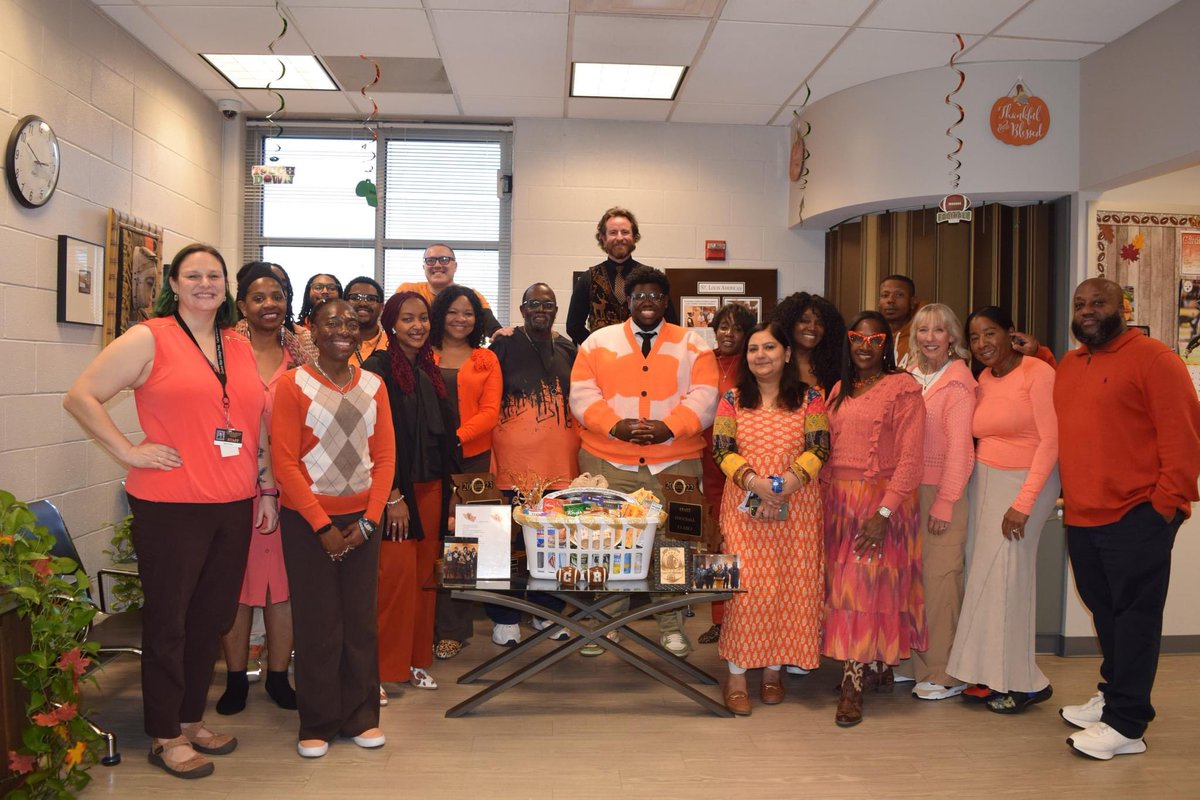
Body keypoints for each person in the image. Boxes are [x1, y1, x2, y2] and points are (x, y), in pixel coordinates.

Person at [64, 243, 277, 779]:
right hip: (170, 506)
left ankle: (188, 719)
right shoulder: (149, 337)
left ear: (225, 286)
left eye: (215, 275)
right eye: (194, 275)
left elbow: (254, 425)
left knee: (210, 619)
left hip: (234, 502)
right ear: (175, 284)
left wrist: (267, 486)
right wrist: (128, 452)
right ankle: (164, 734)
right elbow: (81, 396)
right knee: (170, 623)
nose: (205, 283)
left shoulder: (238, 343)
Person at [1054, 278, 1200, 760]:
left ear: (1124, 307)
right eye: (1080, 304)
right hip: (1083, 515)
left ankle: (1127, 724)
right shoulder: (1070, 364)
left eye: (1099, 302)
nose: (1088, 310)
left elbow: (1183, 439)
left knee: (1135, 618)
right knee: (1106, 611)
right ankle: (1114, 694)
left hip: (1139, 514)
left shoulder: (1156, 359)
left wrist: (1164, 507)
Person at [569, 265, 718, 657]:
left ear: (666, 301)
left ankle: (671, 626)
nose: (647, 302)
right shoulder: (597, 342)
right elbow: (582, 395)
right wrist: (614, 425)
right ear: (629, 302)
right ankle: (606, 625)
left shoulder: (694, 344)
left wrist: (668, 428)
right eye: (639, 296)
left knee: (674, 548)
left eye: (655, 295)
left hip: (676, 463)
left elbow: (705, 397)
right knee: (609, 544)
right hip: (608, 460)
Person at [271, 298, 395, 758]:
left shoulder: (375, 386)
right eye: (330, 322)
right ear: (314, 332)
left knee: (360, 623)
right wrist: (322, 525)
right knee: (319, 624)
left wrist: (369, 520)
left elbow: (384, 459)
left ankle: (362, 717)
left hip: (364, 521)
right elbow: (284, 463)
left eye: (349, 322)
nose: (342, 329)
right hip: (307, 523)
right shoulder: (291, 386)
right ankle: (318, 722)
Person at [712, 322, 829, 716]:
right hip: (745, 507)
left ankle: (773, 672)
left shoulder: (811, 397)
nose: (760, 355)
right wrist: (755, 483)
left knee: (789, 588)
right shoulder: (732, 399)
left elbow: (820, 446)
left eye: (769, 348)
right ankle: (737, 676)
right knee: (748, 591)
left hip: (797, 507)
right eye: (753, 349)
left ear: (787, 354)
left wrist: (786, 485)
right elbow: (721, 449)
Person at [947, 306, 1059, 714]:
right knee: (985, 582)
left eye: (990, 333)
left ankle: (1025, 682)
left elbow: (1051, 442)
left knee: (1010, 580)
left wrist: (1024, 503)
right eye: (975, 338)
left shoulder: (1038, 373)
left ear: (1011, 333)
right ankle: (991, 674)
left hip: (1026, 483)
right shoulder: (983, 378)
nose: (982, 344)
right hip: (986, 481)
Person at [823, 311, 926, 727]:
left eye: (875, 340)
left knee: (863, 594)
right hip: (838, 504)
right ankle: (876, 665)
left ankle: (852, 687)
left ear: (887, 345)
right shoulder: (838, 389)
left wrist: (884, 511)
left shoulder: (903, 389)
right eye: (857, 338)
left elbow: (911, 459)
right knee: (848, 591)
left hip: (879, 504)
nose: (865, 347)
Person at [215, 264, 305, 716]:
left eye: (278, 295)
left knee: (283, 589)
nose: (270, 304)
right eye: (258, 297)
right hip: (235, 485)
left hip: (292, 487)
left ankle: (277, 676)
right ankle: (234, 680)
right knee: (237, 587)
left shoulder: (302, 352)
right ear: (242, 304)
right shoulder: (225, 350)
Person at [362, 292, 458, 703]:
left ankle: (415, 660)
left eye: (422, 319)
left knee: (425, 580)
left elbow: (445, 438)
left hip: (432, 488)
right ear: (390, 324)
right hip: (396, 494)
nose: (416, 326)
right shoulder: (376, 370)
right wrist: (392, 496)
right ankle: (381, 670)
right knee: (394, 583)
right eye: (407, 319)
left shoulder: (429, 369)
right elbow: (374, 441)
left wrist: (455, 490)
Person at [486, 282, 578, 645]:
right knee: (506, 548)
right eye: (534, 303)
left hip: (559, 470)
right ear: (522, 309)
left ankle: (548, 612)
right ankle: (505, 615)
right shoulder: (503, 346)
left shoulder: (570, 349)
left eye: (549, 304)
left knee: (554, 546)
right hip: (510, 469)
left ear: (557, 311)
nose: (542, 308)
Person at [895, 303, 977, 701]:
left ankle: (947, 673)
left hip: (943, 491)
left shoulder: (958, 382)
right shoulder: (909, 374)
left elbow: (962, 450)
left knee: (941, 581)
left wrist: (946, 500)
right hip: (909, 491)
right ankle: (914, 663)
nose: (930, 337)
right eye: (923, 330)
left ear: (952, 337)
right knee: (913, 581)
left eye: (938, 330)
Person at [429, 285, 502, 659]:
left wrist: (456, 438)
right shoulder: (423, 354)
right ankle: (420, 626)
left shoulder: (485, 360)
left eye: (469, 313)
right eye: (453, 311)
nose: (461, 319)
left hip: (471, 460)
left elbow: (491, 411)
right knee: (426, 542)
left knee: (463, 545)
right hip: (425, 460)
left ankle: (454, 630)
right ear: (439, 313)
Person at [697, 302, 755, 646]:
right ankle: (718, 618)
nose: (728, 333)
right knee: (713, 540)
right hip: (704, 457)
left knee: (740, 539)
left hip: (740, 459)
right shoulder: (702, 360)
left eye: (736, 328)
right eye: (722, 326)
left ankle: (742, 616)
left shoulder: (753, 363)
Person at [565, 207, 678, 345]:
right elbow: (573, 326)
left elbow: (672, 323)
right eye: (613, 232)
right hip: (602, 361)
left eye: (625, 232)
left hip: (645, 358)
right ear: (603, 237)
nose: (619, 237)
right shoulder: (588, 278)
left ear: (634, 237)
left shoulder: (652, 278)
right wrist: (595, 347)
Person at [393, 244, 501, 336]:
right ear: (424, 267)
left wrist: (501, 334)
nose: (437, 265)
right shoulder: (408, 291)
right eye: (430, 260)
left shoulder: (469, 296)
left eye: (444, 260)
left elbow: (492, 328)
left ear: (455, 266)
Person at [771, 291, 847, 395]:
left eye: (820, 323)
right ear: (790, 324)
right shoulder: (774, 364)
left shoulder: (835, 368)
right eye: (804, 321)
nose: (812, 328)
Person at [344, 276, 388, 364]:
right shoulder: (333, 343)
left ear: (381, 307)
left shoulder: (393, 344)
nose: (363, 303)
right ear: (343, 304)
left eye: (371, 299)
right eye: (355, 298)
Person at [877, 275, 918, 367]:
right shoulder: (872, 338)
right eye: (885, 295)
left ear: (912, 302)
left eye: (899, 295)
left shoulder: (921, 339)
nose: (890, 300)